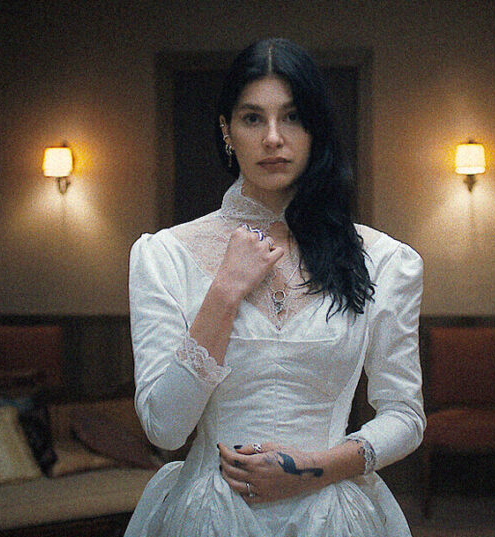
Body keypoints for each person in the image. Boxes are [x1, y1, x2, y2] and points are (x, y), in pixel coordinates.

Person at [125, 37, 425, 536]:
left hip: (331, 516)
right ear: (227, 130)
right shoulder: (165, 255)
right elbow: (165, 428)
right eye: (252, 118)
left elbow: (405, 416)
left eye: (292, 117)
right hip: (209, 517)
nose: (272, 138)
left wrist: (313, 469)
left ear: (315, 130)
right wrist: (224, 292)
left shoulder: (384, 260)